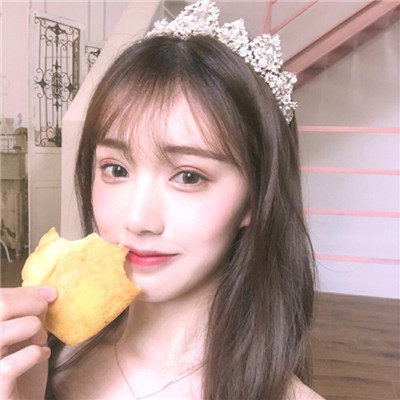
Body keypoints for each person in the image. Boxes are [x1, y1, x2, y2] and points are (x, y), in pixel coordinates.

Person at [0, 1, 325, 399]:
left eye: (189, 176)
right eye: (115, 169)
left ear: (253, 200)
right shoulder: (37, 362)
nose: (138, 219)